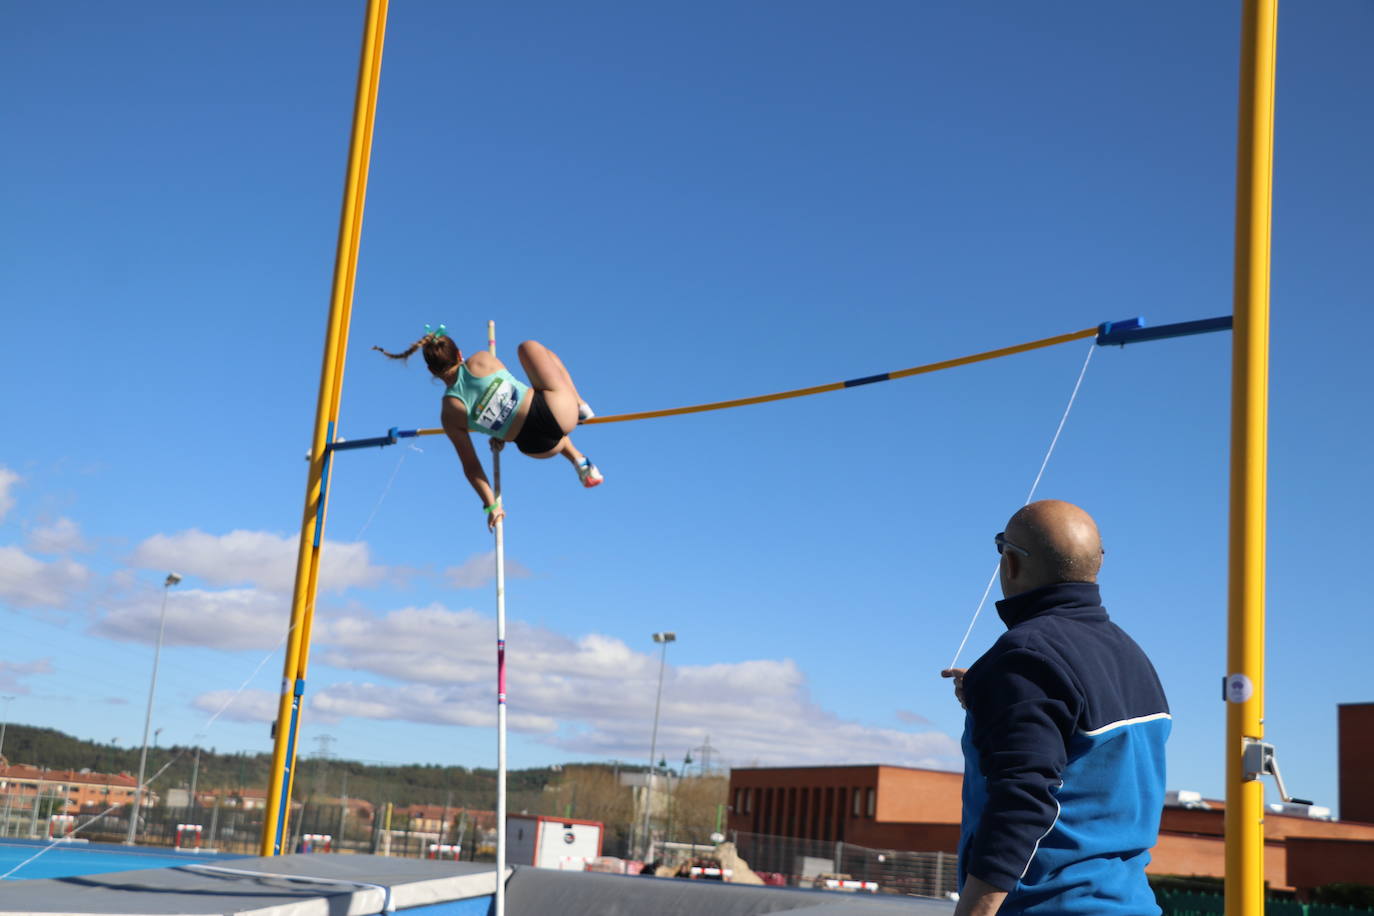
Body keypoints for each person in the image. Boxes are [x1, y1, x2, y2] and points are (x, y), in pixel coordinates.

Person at [940, 500, 1169, 916]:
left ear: (1009, 562)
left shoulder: (1023, 657)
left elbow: (1022, 799)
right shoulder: (1134, 657)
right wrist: (993, 698)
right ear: (1097, 564)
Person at [375, 326, 603, 530]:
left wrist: (491, 505)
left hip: (538, 447)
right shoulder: (481, 359)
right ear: (459, 354)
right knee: (529, 347)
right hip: (560, 413)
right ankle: (580, 404)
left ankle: (579, 461)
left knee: (521, 425)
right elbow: (515, 394)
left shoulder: (449, 412)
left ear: (431, 371)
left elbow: (471, 467)